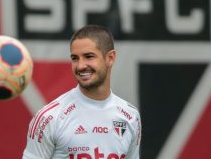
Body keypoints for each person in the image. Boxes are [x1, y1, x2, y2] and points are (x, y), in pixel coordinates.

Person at [22, 25, 141, 159]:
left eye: (89, 56)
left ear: (110, 58)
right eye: (75, 58)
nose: (80, 66)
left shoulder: (131, 116)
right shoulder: (48, 117)